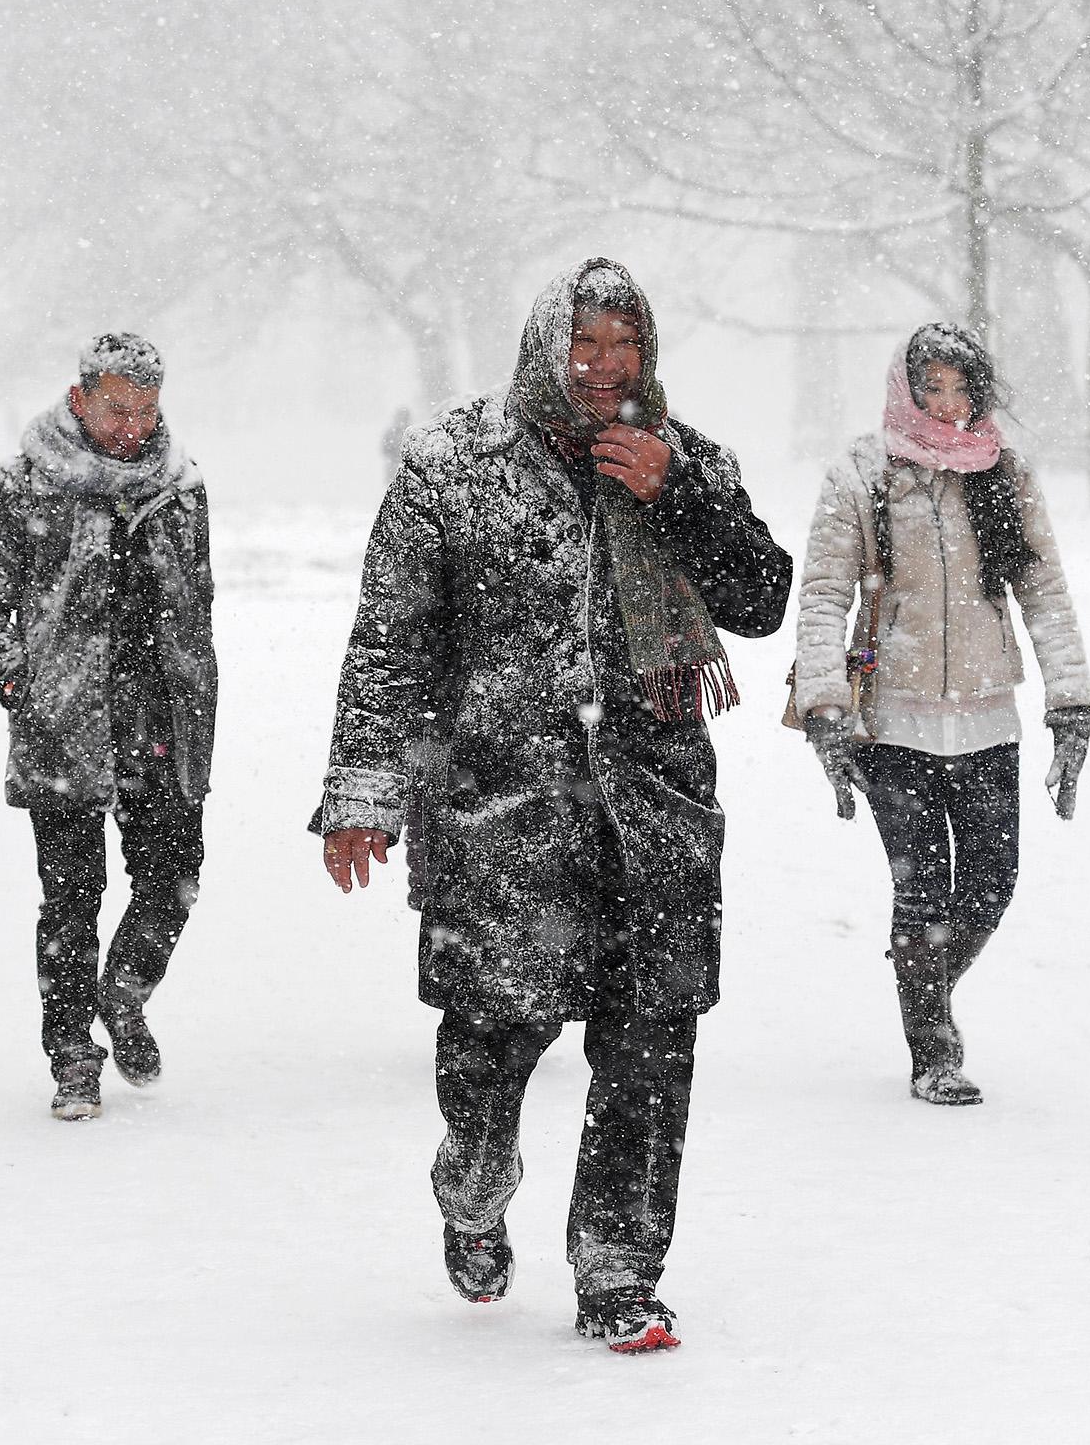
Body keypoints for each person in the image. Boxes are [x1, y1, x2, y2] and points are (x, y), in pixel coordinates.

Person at [312, 259, 791, 1354]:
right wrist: (362, 791)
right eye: (585, 343)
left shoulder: (685, 459)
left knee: (651, 1048)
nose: (604, 365)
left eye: (624, 345)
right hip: (496, 809)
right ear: (541, 346)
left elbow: (760, 598)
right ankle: (472, 1182)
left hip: (654, 809)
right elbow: (390, 639)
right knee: (489, 1043)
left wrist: (678, 497)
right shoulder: (450, 464)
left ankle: (618, 1270)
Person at [793, 322, 1090, 1107]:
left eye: (964, 386)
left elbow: (1046, 592)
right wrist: (825, 703)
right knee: (922, 889)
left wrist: (1072, 703)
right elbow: (825, 593)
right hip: (892, 722)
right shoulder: (863, 473)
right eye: (933, 386)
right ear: (906, 386)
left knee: (992, 885)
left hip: (990, 717)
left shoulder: (1005, 471)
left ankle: (920, 975)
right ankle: (933, 1045)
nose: (950, 402)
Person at [0, 333, 217, 1123]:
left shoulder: (182, 488)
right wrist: (24, 688)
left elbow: (198, 601)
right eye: (116, 407)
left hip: (163, 718)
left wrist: (195, 692)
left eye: (146, 408)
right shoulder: (20, 487)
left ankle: (125, 993)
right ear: (80, 399)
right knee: (71, 900)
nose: (132, 423)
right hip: (63, 724)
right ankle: (72, 1055)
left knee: (174, 879)